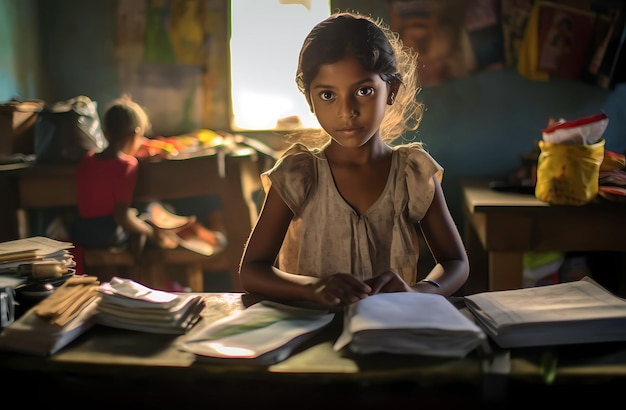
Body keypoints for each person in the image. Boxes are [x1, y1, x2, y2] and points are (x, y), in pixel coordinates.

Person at [238, 12, 469, 308]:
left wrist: (418, 293)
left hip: (388, 331)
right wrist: (314, 287)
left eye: (364, 91)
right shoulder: (298, 175)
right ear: (309, 100)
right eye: (327, 95)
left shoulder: (412, 174)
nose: (346, 111)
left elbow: (455, 262)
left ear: (392, 91)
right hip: (307, 332)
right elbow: (252, 271)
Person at [69, 95, 183, 253]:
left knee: (139, 214)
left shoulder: (88, 159)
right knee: (150, 211)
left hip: (80, 230)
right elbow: (122, 216)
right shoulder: (127, 165)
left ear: (105, 132)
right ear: (135, 134)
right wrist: (150, 233)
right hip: (107, 234)